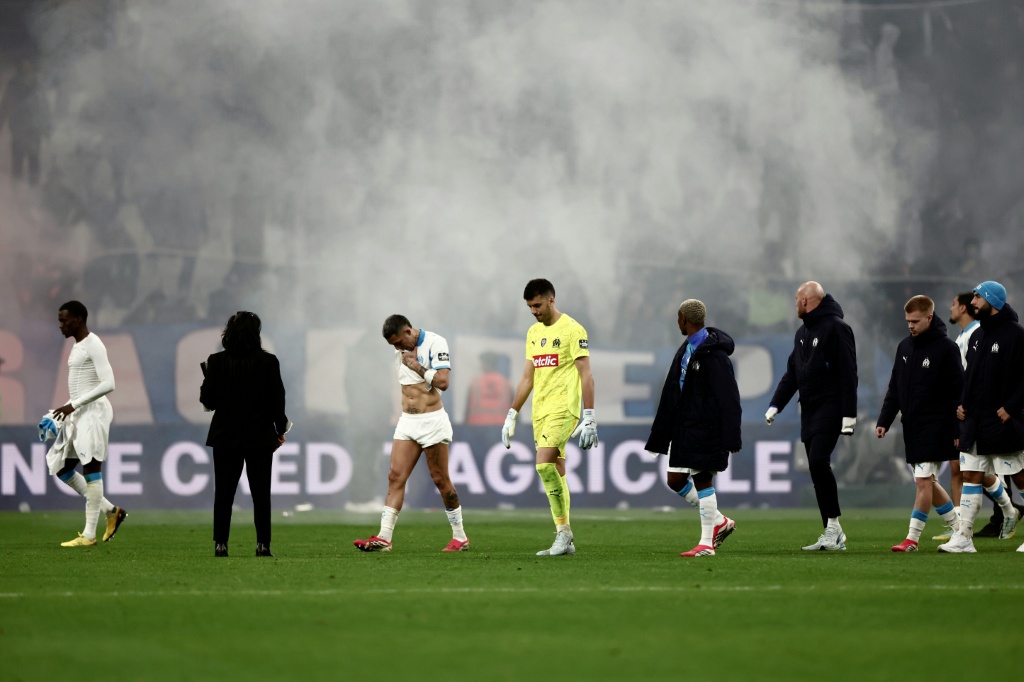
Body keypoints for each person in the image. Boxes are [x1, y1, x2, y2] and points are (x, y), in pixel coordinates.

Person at [354, 314, 469, 552]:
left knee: (441, 481)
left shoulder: (436, 343)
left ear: (408, 332)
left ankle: (460, 537)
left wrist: (417, 366)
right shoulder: (401, 350)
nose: (397, 348)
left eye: (398, 343)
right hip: (408, 421)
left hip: (432, 421)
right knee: (395, 476)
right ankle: (384, 538)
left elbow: (443, 381)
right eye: (393, 346)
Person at [501, 279, 597, 556]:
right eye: (530, 307)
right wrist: (512, 413)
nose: (534, 311)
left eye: (537, 305)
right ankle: (565, 536)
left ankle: (563, 535)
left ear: (551, 300)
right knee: (557, 471)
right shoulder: (533, 332)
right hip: (540, 411)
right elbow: (527, 377)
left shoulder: (573, 330)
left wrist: (589, 416)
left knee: (543, 466)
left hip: (564, 408)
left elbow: (586, 375)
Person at [765, 281, 857, 550]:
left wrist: (848, 415)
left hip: (831, 408)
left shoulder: (837, 329)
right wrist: (776, 405)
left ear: (806, 301)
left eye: (796, 299)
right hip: (810, 411)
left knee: (818, 462)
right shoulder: (802, 332)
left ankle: (833, 528)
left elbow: (848, 373)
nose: (794, 303)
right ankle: (832, 530)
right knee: (816, 469)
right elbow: (793, 373)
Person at [646, 299, 742, 557]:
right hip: (684, 428)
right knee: (675, 479)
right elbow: (673, 392)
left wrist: (731, 435)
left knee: (702, 479)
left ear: (683, 320)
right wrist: (661, 435)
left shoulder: (715, 354)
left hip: (706, 428)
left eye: (678, 318)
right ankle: (720, 521)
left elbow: (729, 397)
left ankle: (706, 544)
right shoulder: (686, 348)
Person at [939, 281, 1024, 553]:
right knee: (971, 474)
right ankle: (964, 537)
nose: (973, 301)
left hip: (1003, 421)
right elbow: (971, 377)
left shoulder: (1016, 335)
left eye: (977, 297)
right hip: (975, 421)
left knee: (1020, 476)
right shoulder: (977, 336)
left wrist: (1011, 407)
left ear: (992, 301)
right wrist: (962, 404)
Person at [875, 296, 963, 551]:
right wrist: (885, 420)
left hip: (937, 426)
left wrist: (958, 429)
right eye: (908, 322)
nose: (911, 326)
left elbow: (959, 393)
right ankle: (959, 528)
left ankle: (912, 539)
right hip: (911, 427)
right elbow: (895, 388)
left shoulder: (947, 349)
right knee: (928, 481)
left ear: (929, 318)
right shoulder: (904, 347)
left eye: (915, 321)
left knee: (923, 482)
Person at [200, 311, 289, 558]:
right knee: (261, 494)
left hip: (225, 436)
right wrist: (280, 430)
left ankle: (221, 544)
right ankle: (263, 545)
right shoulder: (268, 361)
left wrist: (207, 382)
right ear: (256, 334)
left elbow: (208, 401)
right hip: (259, 436)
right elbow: (277, 400)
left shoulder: (216, 361)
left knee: (224, 494)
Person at [44, 300, 127, 547]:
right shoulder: (78, 345)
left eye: (64, 319)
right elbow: (83, 385)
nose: (60, 325)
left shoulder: (94, 344)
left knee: (91, 469)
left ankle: (89, 535)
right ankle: (112, 511)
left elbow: (108, 383)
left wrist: (74, 404)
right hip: (79, 411)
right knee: (62, 467)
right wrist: (61, 410)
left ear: (78, 319)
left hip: (93, 414)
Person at [465, 351, 514, 425]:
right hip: (502, 427)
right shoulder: (506, 384)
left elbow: (466, 412)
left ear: (483, 364)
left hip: (476, 428)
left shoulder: (474, 384)